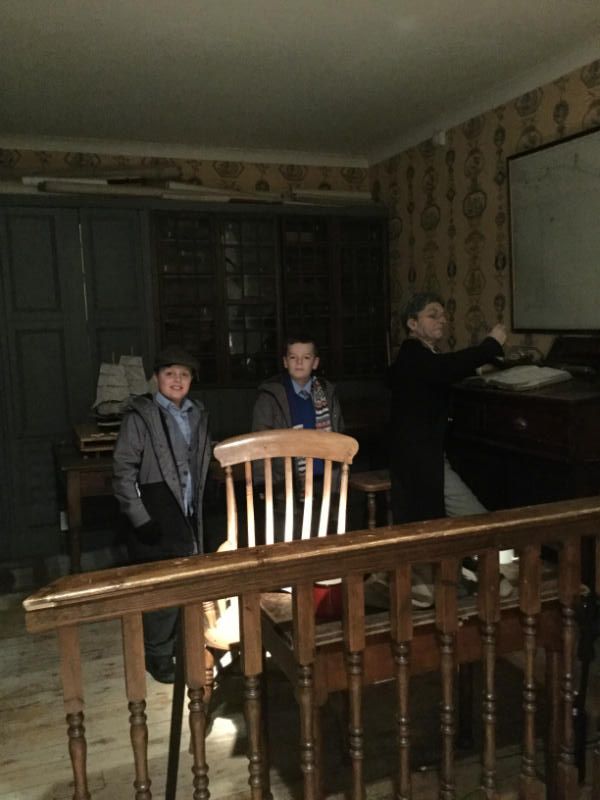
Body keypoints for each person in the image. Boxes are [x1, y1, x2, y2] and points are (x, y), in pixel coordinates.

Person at [113, 345, 212, 683]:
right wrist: (140, 518)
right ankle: (157, 654)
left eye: (184, 374)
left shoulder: (197, 414)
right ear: (156, 378)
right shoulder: (140, 417)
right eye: (170, 373)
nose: (177, 380)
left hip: (187, 508)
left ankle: (184, 647)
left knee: (188, 580)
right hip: (156, 509)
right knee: (160, 588)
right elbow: (123, 472)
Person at [388, 292, 506, 525]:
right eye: (433, 316)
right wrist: (490, 345)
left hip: (427, 455)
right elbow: (444, 367)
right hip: (421, 460)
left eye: (443, 315)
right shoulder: (413, 354)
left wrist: (478, 369)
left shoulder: (424, 355)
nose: (442, 320)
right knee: (477, 520)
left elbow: (442, 368)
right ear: (412, 324)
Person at [252, 335, 344, 536]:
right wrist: (262, 483)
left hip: (322, 480)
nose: (299, 363)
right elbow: (260, 441)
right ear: (285, 362)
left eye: (306, 357)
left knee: (320, 535)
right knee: (286, 536)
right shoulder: (270, 396)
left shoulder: (327, 393)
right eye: (293, 357)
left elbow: (339, 435)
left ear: (315, 362)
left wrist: (338, 481)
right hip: (285, 484)